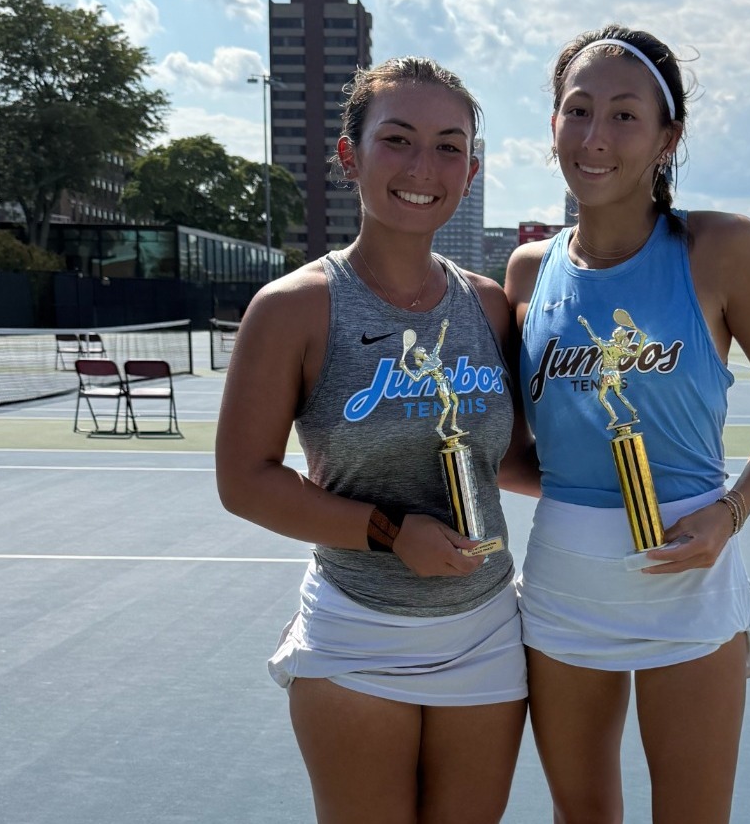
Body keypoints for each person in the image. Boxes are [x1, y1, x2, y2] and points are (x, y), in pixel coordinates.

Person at [503, 26, 750, 823]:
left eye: (624, 115)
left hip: (690, 577)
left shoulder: (722, 248)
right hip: (564, 584)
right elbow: (509, 450)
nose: (595, 137)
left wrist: (730, 511)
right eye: (578, 110)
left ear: (667, 138)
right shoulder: (528, 271)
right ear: (553, 125)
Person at [215, 58, 525, 824]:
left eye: (449, 147)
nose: (423, 167)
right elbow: (245, 480)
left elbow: (512, 459)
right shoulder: (293, 309)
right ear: (350, 155)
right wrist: (389, 533)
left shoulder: (489, 306)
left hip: (486, 633)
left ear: (471, 171)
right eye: (398, 139)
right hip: (358, 635)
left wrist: (639, 485)